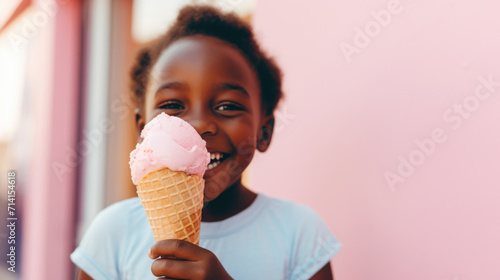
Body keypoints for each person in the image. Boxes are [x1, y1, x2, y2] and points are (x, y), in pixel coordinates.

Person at [71, 5, 342, 280]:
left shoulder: (299, 234)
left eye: (227, 106)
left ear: (264, 131)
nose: (199, 125)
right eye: (173, 104)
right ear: (144, 131)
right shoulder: (113, 232)